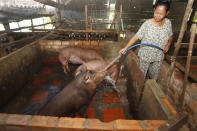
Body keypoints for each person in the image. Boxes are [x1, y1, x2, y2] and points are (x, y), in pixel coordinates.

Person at [119, 0, 173, 80]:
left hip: (158, 56)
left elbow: (171, 35)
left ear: (167, 13)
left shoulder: (168, 23)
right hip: (145, 56)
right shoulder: (147, 24)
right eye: (156, 12)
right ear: (154, 10)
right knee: (141, 77)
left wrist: (168, 45)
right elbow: (136, 37)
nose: (157, 15)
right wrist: (126, 48)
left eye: (161, 14)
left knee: (154, 78)